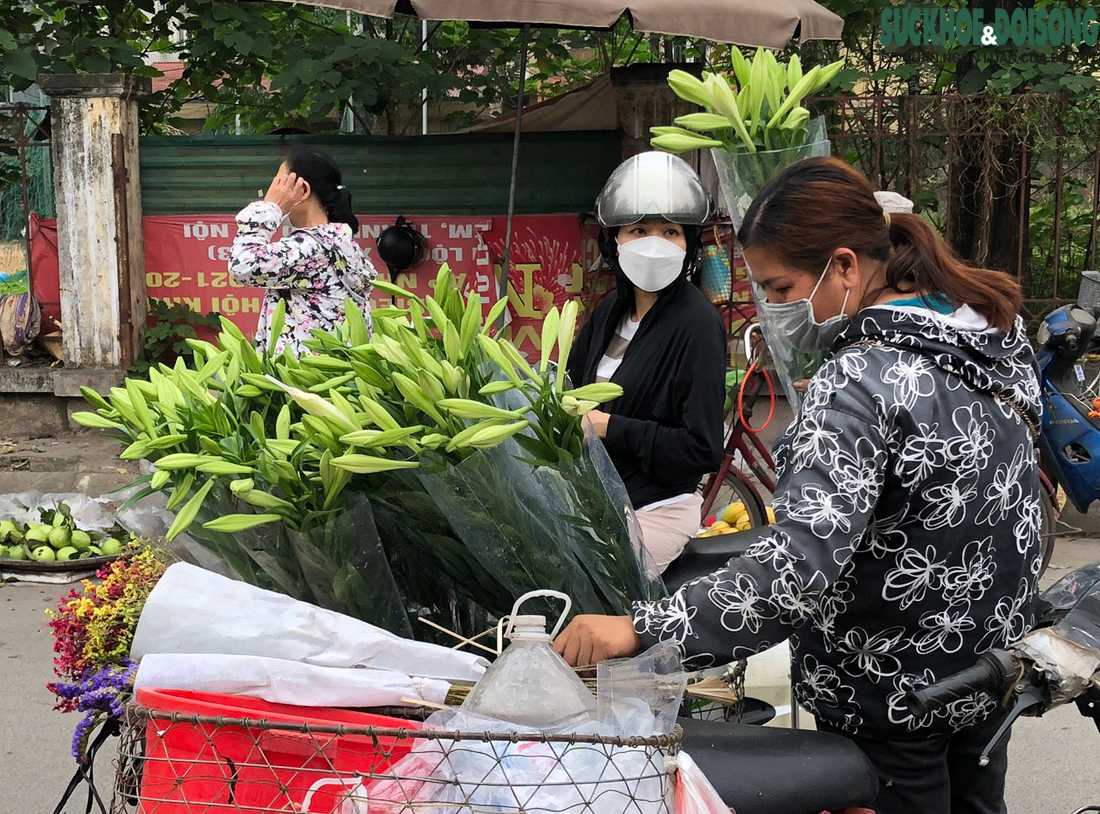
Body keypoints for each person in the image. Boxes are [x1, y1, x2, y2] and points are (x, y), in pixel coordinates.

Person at [555, 156, 1042, 814]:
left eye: (780, 288)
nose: (777, 308)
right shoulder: (990, 339)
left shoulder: (859, 380)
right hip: (989, 675)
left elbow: (793, 572)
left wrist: (641, 629)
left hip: (891, 696)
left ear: (844, 265)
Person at [566, 152, 727, 576]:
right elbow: (568, 391)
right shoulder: (608, 313)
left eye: (669, 231)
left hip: (655, 512)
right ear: (613, 240)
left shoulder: (697, 324)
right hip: (598, 506)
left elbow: (701, 448)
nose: (653, 244)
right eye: (639, 230)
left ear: (689, 242)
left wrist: (609, 428)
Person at [229, 147, 376, 355]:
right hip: (330, 375)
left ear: (303, 189)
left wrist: (270, 208)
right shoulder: (339, 241)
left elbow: (242, 265)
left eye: (280, 182)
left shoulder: (311, 248)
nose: (274, 190)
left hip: (303, 381)